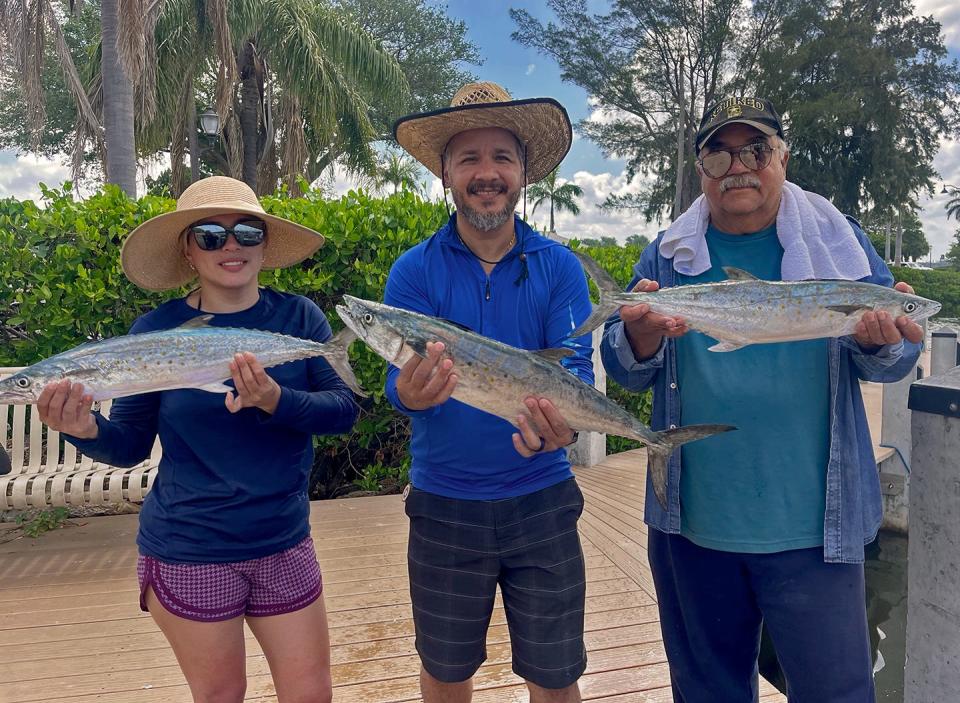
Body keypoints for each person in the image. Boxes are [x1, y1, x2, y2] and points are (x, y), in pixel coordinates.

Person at [600, 96, 924, 703]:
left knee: (838, 693)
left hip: (814, 530)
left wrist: (886, 341)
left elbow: (898, 356)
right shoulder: (670, 254)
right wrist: (639, 337)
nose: (738, 166)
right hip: (691, 526)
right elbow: (626, 369)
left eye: (755, 149)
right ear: (701, 169)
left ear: (782, 157)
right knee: (706, 694)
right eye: (718, 154)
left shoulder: (839, 243)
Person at [37, 176, 358, 703]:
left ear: (264, 245)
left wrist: (275, 400)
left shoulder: (300, 318)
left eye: (247, 233)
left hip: (283, 539)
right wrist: (85, 429)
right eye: (210, 235)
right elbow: (130, 446)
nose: (230, 245)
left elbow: (343, 412)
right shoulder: (155, 331)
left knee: (311, 695)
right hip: (190, 546)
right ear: (188, 250)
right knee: (220, 696)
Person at [386, 81, 594, 702]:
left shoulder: (560, 267)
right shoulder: (412, 271)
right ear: (446, 171)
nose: (487, 173)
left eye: (502, 157)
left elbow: (574, 373)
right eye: (469, 157)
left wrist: (568, 422)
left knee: (556, 677)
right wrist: (411, 396)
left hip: (543, 500)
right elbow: (400, 385)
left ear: (523, 171)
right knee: (446, 673)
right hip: (444, 505)